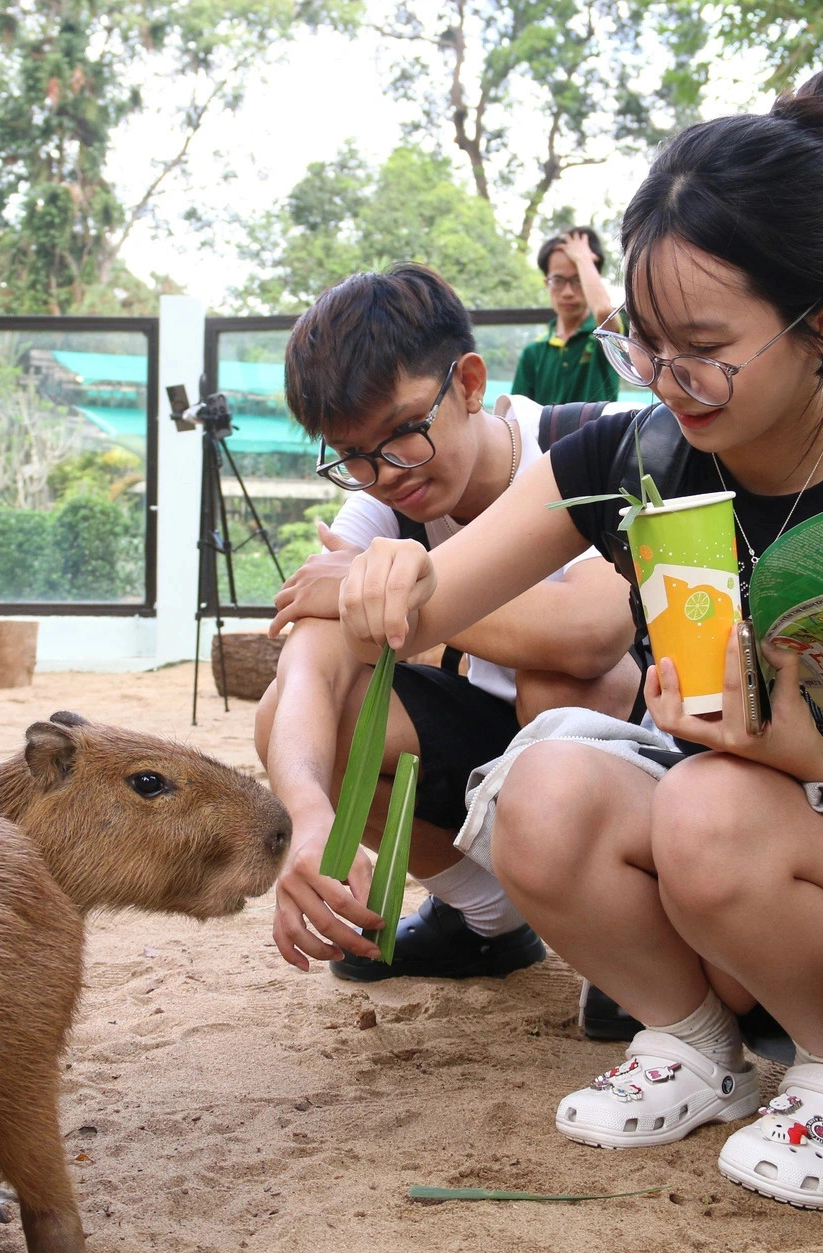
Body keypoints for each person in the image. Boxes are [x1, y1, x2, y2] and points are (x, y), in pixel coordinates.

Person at [334, 70, 823, 1210]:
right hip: (732, 818)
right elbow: (431, 597)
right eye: (645, 347)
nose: (668, 384)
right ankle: (693, 1042)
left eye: (702, 348)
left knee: (703, 806)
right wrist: (386, 571)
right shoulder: (638, 455)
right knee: (542, 786)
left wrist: (795, 753)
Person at [256, 264, 642, 982]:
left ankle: (626, 944)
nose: (385, 471)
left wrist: (405, 608)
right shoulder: (384, 500)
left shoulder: (586, 442)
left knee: (562, 686)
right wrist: (305, 814)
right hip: (486, 750)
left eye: (403, 430)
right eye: (354, 455)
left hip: (642, 750)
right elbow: (309, 659)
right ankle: (489, 920)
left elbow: (591, 632)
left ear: (468, 382)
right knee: (293, 708)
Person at [511, 227, 622, 407]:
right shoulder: (534, 352)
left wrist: (583, 259)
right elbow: (515, 416)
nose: (568, 292)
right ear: (546, 283)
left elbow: (602, 310)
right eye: (558, 281)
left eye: (578, 280)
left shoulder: (602, 338)